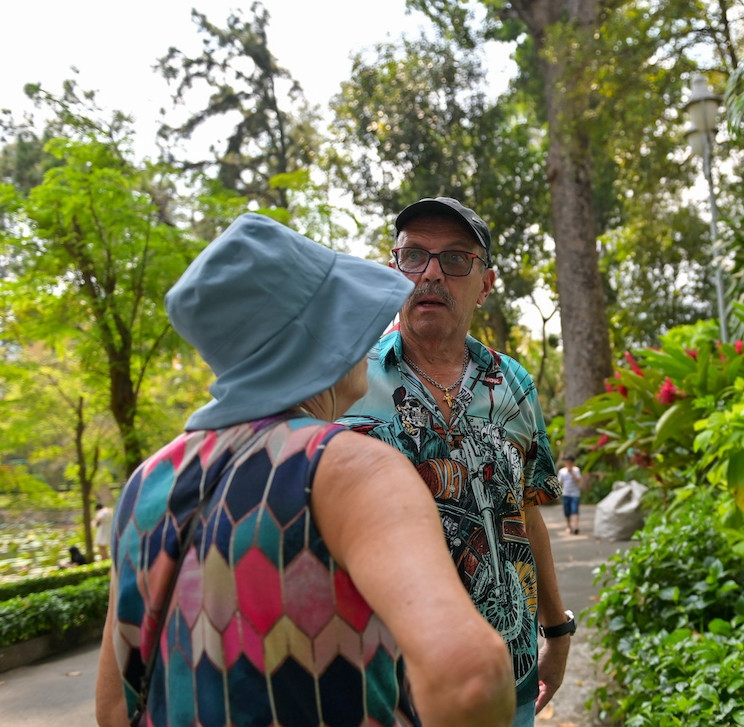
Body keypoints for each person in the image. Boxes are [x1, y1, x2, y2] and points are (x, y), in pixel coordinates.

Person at [94, 213, 514, 727]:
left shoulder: (149, 482)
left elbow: (115, 708)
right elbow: (469, 677)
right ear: (322, 336)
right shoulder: (348, 467)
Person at [339, 197, 572, 727]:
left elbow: (527, 514)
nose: (432, 274)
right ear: (394, 268)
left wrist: (556, 631)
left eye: (456, 260)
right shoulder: (344, 384)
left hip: (505, 681)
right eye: (414, 256)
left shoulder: (513, 386)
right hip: (388, 690)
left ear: (485, 283)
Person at [557, 455, 587, 535]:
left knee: (575, 510)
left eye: (569, 462)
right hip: (566, 493)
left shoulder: (576, 470)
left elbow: (579, 480)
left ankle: (576, 527)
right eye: (566, 462)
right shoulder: (562, 471)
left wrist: (572, 473)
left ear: (572, 463)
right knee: (567, 511)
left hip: (575, 494)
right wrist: (558, 493)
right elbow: (560, 482)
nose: (568, 464)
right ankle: (569, 526)